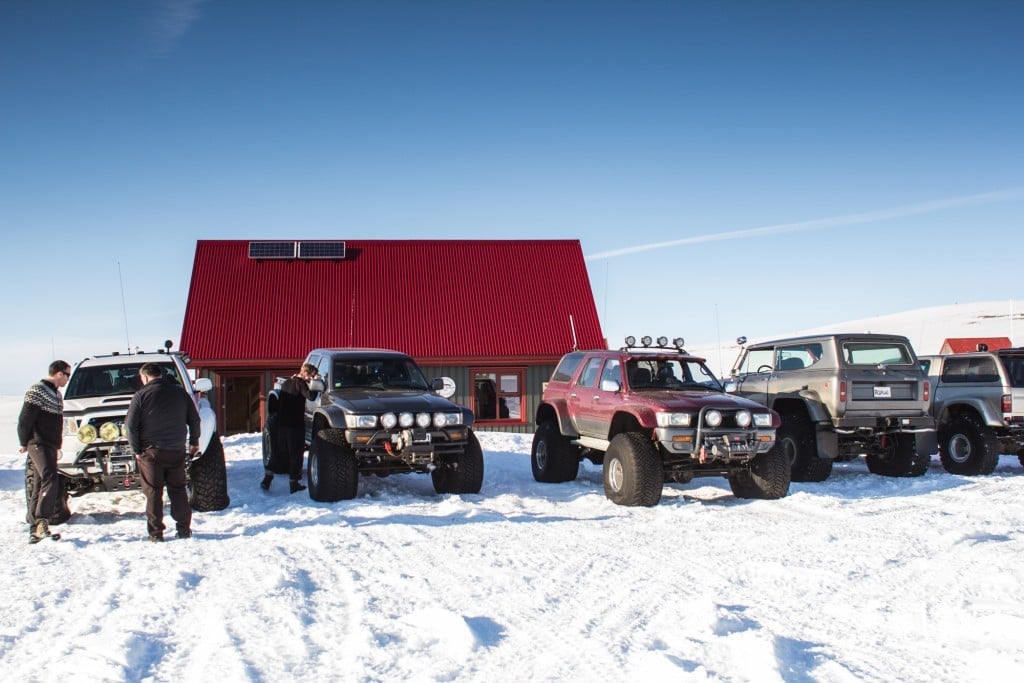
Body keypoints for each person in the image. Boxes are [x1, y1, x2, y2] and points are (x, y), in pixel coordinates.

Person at [125, 362, 201, 542]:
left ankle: (156, 533)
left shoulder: (141, 395)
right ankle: (184, 529)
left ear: (144, 377)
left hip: (151, 453)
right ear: (161, 375)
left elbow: (130, 426)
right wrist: (194, 442)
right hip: (176, 449)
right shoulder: (180, 393)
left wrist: (136, 449)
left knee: (153, 492)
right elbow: (194, 419)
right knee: (178, 489)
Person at [18, 360, 71, 544]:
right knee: (50, 477)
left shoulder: (56, 394)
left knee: (41, 483)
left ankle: (36, 530)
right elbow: (25, 418)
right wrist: (24, 441)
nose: (68, 379)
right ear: (59, 373)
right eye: (67, 374)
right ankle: (42, 520)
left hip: (50, 444)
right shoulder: (38, 390)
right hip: (38, 442)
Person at [262, 363, 317, 493]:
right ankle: (294, 484)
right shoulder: (301, 384)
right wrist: (315, 385)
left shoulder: (286, 383)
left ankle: (267, 479)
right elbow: (311, 396)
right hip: (295, 425)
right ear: (306, 374)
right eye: (312, 375)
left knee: (279, 452)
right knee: (295, 454)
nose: (311, 378)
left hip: (282, 425)